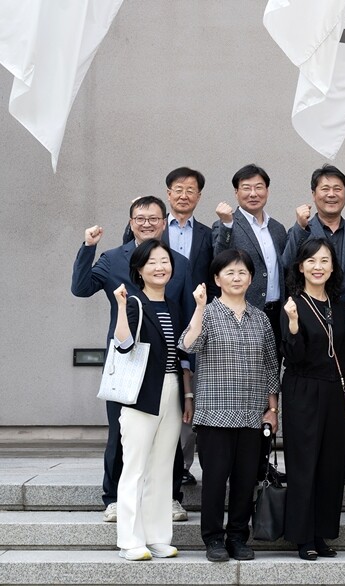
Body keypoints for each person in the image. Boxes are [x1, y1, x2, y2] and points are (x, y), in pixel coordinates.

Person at [71, 195, 193, 523]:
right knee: (120, 432)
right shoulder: (113, 259)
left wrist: (186, 369)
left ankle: (170, 497)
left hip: (166, 364)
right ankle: (113, 498)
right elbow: (81, 288)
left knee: (168, 434)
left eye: (153, 218)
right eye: (140, 218)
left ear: (164, 223)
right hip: (126, 361)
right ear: (131, 222)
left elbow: (185, 316)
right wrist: (88, 246)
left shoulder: (178, 263)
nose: (147, 224)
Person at [179, 249, 280, 562]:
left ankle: (237, 536)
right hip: (215, 415)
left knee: (245, 481)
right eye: (230, 272)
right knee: (214, 481)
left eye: (242, 272)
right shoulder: (208, 313)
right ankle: (213, 538)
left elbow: (271, 366)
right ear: (217, 278)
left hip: (252, 415)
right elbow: (188, 344)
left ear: (251, 279)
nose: (237, 278)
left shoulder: (260, 318)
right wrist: (198, 307)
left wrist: (273, 410)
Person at [123, 168, 215, 487]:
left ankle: (180, 470)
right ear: (168, 193)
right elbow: (132, 248)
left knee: (181, 407)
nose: (184, 195)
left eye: (191, 190)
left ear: (198, 195)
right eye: (178, 189)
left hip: (186, 315)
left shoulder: (207, 234)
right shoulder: (154, 229)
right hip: (146, 323)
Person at [283, 164, 345, 487]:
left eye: (338, 189)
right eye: (325, 188)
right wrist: (299, 227)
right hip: (310, 321)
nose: (331, 194)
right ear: (313, 194)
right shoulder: (302, 230)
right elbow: (287, 267)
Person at [111, 239, 191, 561]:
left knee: (161, 467)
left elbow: (181, 353)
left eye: (165, 261)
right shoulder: (134, 303)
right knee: (135, 468)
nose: (160, 267)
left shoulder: (173, 305)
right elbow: (124, 345)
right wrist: (120, 308)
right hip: (142, 393)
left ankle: (157, 537)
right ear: (140, 270)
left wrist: (187, 395)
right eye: (152, 262)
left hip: (172, 388)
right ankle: (129, 541)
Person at [279, 238, 345, 561]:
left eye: (324, 261)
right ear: (300, 267)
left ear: (333, 267)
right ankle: (302, 536)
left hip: (334, 390)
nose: (317, 267)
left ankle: (321, 533)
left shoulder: (338, 306)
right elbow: (292, 356)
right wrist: (294, 324)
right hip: (303, 389)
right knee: (304, 463)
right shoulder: (293, 304)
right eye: (311, 261)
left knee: (330, 464)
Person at [213, 163, 287, 341]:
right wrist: (227, 225)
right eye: (246, 188)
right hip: (241, 313)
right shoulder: (225, 224)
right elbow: (219, 260)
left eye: (259, 187)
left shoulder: (277, 228)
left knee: (274, 359)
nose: (253, 194)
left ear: (267, 191)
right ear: (236, 192)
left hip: (277, 314)